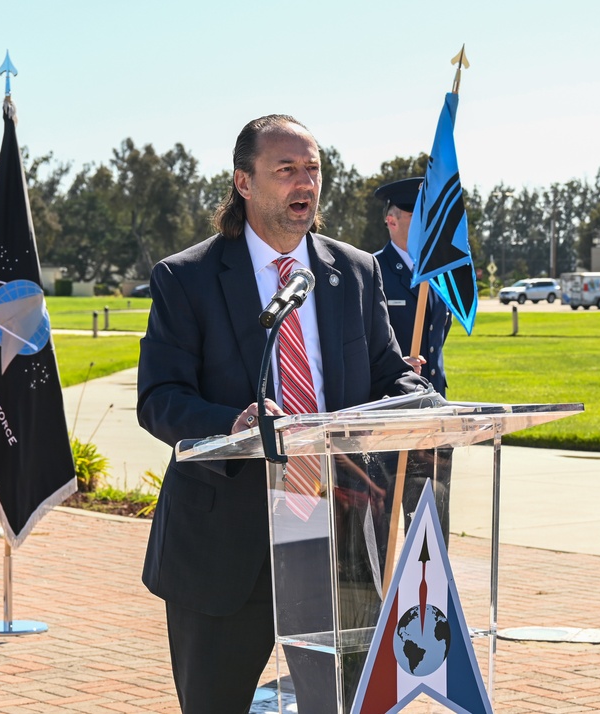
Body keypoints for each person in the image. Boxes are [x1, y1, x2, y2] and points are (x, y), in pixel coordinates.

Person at [137, 114, 427, 714]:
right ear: (244, 182)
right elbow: (159, 397)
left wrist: (423, 403)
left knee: (341, 705)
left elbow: (385, 370)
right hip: (223, 546)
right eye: (287, 170)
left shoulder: (353, 272)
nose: (306, 184)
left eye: (314, 170)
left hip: (337, 535)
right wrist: (234, 426)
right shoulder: (186, 278)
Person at [373, 177, 453, 540]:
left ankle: (431, 595)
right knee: (386, 520)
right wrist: (394, 363)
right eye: (414, 215)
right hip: (390, 410)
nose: (425, 223)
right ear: (391, 220)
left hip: (434, 408)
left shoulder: (438, 274)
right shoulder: (371, 271)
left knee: (433, 518)